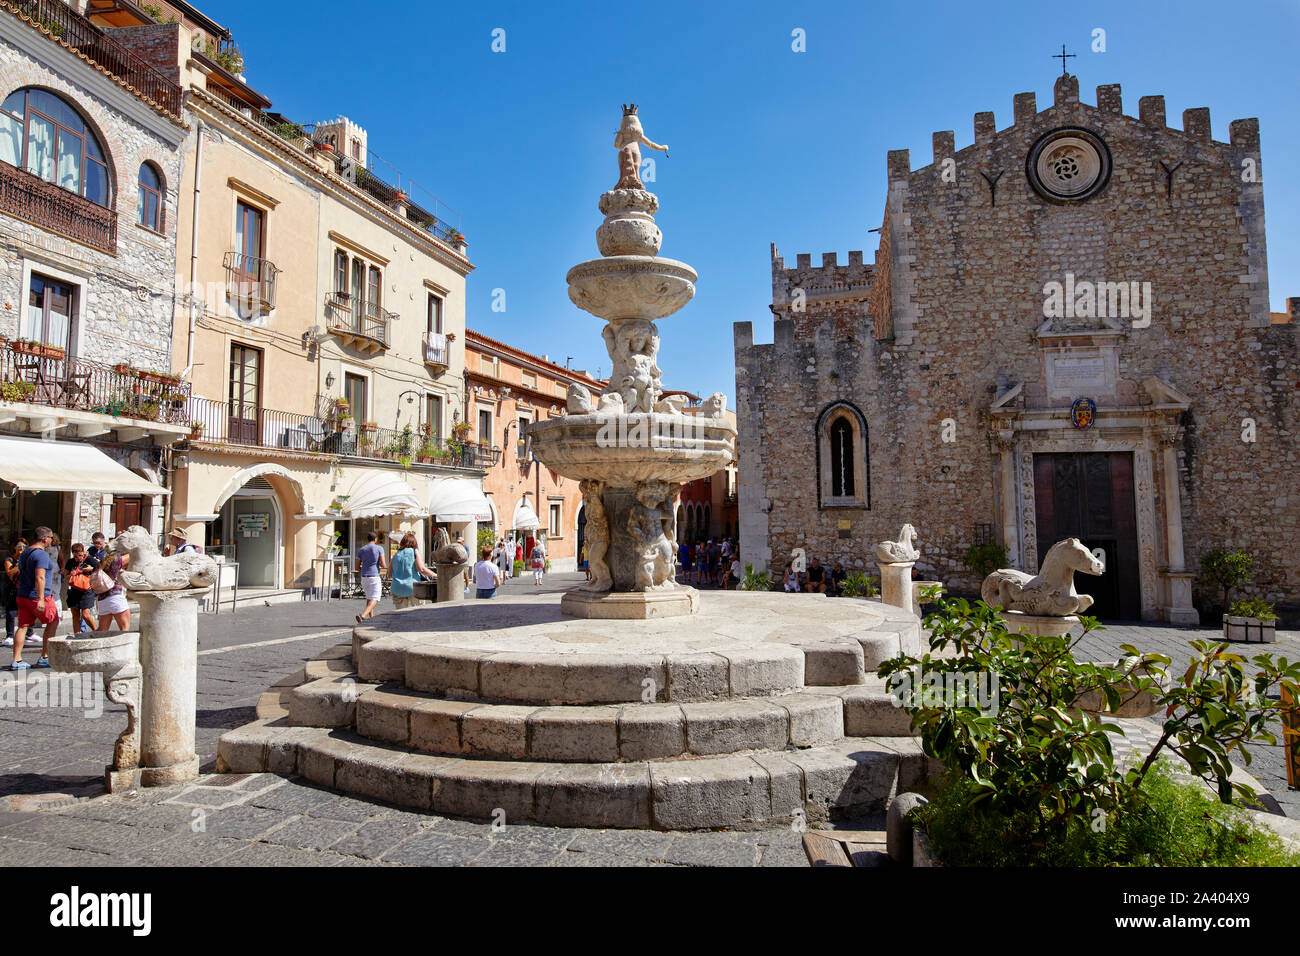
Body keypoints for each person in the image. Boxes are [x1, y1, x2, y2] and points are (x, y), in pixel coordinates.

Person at [10, 527, 59, 669]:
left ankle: (17, 660)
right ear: (44, 539)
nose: (51, 539)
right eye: (50, 537)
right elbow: (40, 577)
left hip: (23, 594)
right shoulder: (41, 555)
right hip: (36, 596)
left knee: (22, 626)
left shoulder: (26, 552)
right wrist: (41, 598)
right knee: (53, 621)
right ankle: (45, 656)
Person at [390, 533, 433, 610]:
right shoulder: (414, 551)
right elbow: (421, 569)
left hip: (397, 588)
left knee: (400, 615)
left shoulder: (396, 554)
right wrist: (435, 575)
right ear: (414, 543)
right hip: (413, 587)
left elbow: (389, 574)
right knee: (418, 612)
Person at [95, 545, 132, 632]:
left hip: (102, 599)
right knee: (124, 628)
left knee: (102, 630)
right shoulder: (116, 560)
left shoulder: (101, 562)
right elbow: (133, 554)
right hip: (115, 596)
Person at [64, 542, 99, 634]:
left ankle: (96, 631)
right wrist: (71, 574)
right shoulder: (70, 562)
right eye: (75, 555)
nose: (78, 558)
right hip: (74, 590)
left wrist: (90, 569)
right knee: (75, 615)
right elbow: (66, 576)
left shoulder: (89, 560)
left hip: (87, 590)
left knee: (85, 615)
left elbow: (100, 568)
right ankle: (77, 635)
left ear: (83, 552)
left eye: (79, 555)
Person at [354, 531, 386, 623]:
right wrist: (380, 564)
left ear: (367, 539)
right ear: (375, 539)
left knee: (369, 597)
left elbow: (356, 567)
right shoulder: (379, 548)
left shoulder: (362, 549)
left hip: (364, 577)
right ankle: (363, 616)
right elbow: (383, 564)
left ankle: (372, 618)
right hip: (374, 576)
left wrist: (362, 571)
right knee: (375, 598)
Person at [1, 539, 26, 647]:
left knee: (24, 612)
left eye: (24, 548)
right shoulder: (9, 560)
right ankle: (10, 635)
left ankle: (29, 633)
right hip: (11, 589)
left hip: (23, 588)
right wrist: (19, 563)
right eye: (19, 547)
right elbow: (10, 573)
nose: (21, 550)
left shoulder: (27, 559)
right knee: (10, 613)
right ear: (15, 548)